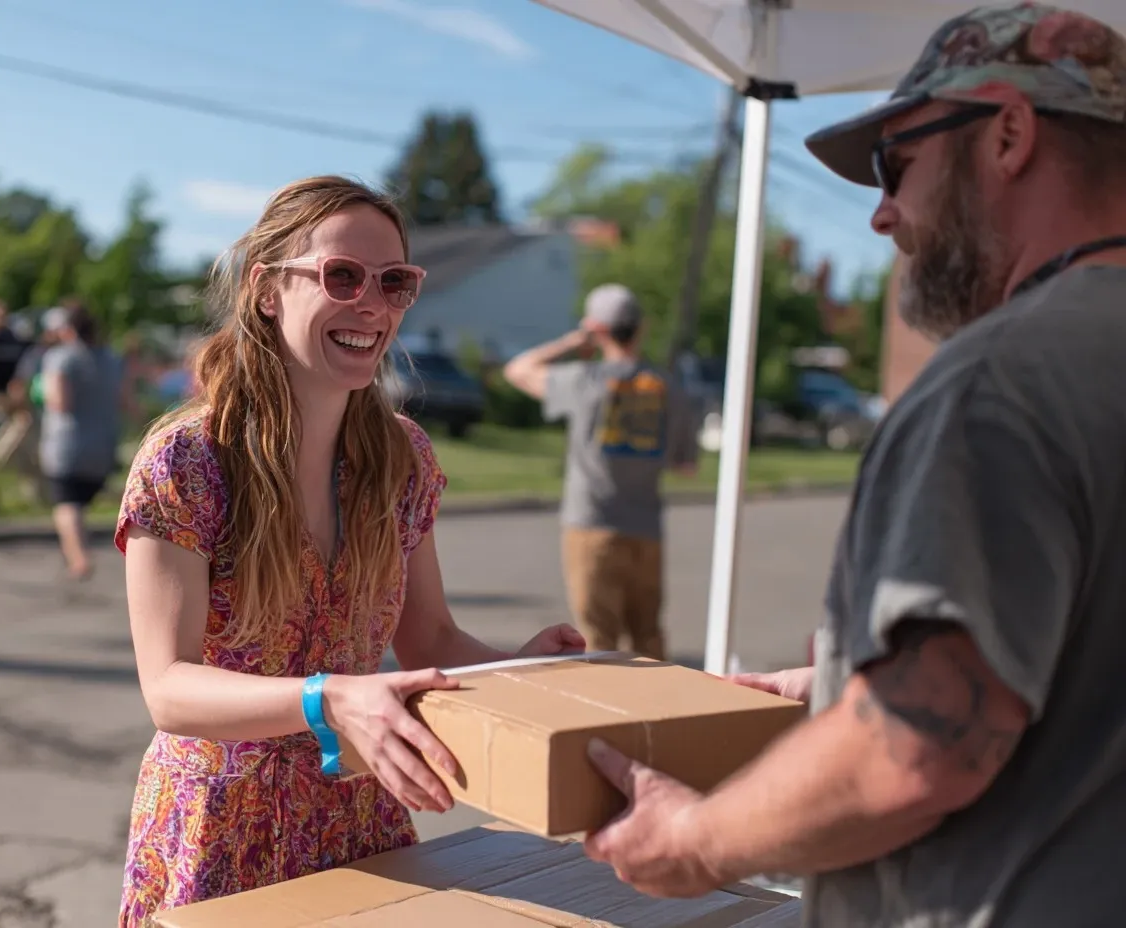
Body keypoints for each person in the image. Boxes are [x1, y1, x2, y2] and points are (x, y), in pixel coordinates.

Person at [578, 5, 1126, 927]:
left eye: (896, 164)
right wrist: (847, 683)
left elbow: (916, 748)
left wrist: (695, 839)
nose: (880, 214)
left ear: (1009, 133)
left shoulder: (998, 382)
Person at [115, 176, 585, 926]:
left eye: (396, 283)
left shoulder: (405, 460)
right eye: (343, 277)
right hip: (219, 832)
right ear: (268, 290)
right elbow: (168, 689)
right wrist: (326, 698)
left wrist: (519, 670)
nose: (374, 303)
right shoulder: (188, 460)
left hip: (357, 822)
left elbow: (428, 637)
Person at [503, 284, 697, 660]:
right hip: (646, 528)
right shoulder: (668, 388)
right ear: (641, 328)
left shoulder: (583, 380)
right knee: (648, 639)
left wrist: (573, 342)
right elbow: (685, 466)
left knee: (597, 640)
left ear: (598, 329)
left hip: (591, 525)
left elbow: (518, 370)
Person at [39, 302, 123, 580]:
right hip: (103, 442)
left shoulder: (61, 358)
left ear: (67, 329)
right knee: (85, 499)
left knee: (67, 503)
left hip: (68, 443)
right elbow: (125, 399)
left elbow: (59, 402)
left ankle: (79, 558)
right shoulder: (110, 358)